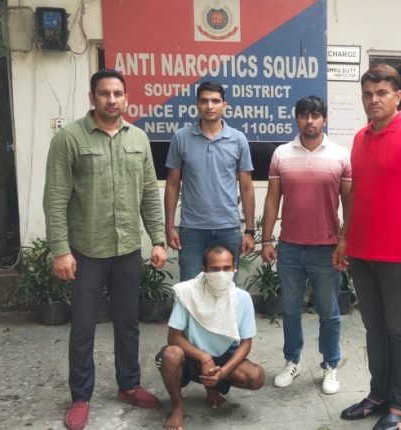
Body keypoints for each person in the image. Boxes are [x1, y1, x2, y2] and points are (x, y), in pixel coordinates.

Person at [43, 68, 168, 430]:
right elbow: (55, 198)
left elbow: (149, 192)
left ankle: (129, 385)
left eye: (117, 93)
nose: (111, 100)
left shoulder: (138, 139)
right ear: (92, 98)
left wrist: (157, 239)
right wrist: (61, 250)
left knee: (128, 322)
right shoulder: (69, 139)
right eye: (104, 93)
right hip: (86, 250)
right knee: (83, 326)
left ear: (126, 98)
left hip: (126, 247)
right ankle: (81, 396)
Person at [334, 63, 401, 430]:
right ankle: (378, 395)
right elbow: (357, 195)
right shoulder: (360, 138)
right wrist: (345, 238)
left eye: (381, 93)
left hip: (399, 255)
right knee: (374, 328)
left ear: (398, 96)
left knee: (400, 329)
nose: (373, 100)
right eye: (367, 94)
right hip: (362, 252)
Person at [260, 96, 351, 394]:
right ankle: (292, 361)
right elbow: (272, 199)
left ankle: (330, 364)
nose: (309, 121)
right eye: (304, 115)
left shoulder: (341, 156)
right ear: (296, 118)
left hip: (326, 248)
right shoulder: (281, 154)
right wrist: (266, 239)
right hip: (289, 247)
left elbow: (350, 203)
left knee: (329, 312)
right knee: (290, 310)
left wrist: (344, 240)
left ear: (324, 119)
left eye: (315, 115)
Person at [155, 245, 264, 430]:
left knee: (256, 377)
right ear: (204, 269)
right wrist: (204, 357)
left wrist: (224, 371)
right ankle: (177, 405)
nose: (221, 274)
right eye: (215, 269)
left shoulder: (242, 298)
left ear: (234, 268)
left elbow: (246, 343)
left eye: (226, 268)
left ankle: (212, 388)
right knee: (171, 355)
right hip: (192, 355)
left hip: (223, 356)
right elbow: (173, 337)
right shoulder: (187, 293)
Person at [164, 81, 256, 281]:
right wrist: (169, 226)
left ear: (224, 105)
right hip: (192, 229)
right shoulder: (181, 138)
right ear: (197, 104)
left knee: (225, 290)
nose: (210, 106)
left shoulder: (238, 139)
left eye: (215, 101)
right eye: (204, 101)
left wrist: (249, 230)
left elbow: (247, 187)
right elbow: (172, 184)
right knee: (191, 290)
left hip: (228, 228)